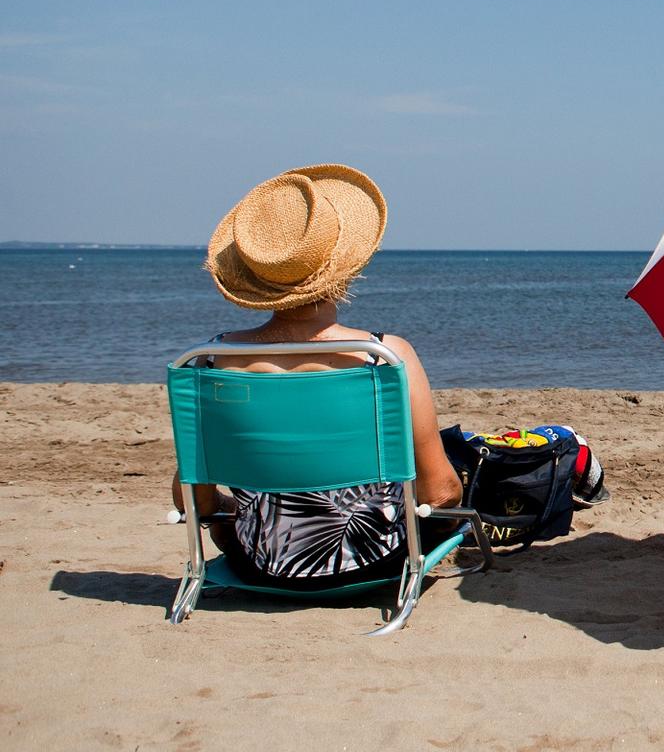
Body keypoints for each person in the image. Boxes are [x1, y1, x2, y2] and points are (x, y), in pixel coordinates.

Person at [171, 164, 466, 588]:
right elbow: (440, 494)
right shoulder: (383, 356)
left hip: (262, 562)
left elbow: (193, 501)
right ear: (343, 267)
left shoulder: (213, 361)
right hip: (375, 560)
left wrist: (242, 512)